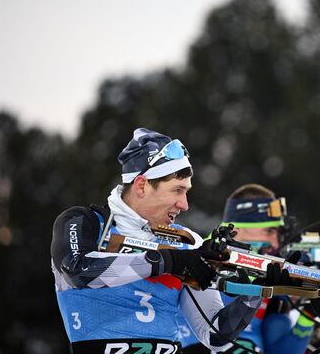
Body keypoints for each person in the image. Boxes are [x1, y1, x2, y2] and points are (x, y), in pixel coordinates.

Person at [51, 128, 265, 354]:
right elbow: (78, 271)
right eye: (177, 190)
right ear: (142, 185)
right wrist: (167, 261)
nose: (184, 204)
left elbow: (215, 333)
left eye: (186, 192)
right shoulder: (84, 222)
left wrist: (254, 292)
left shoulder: (186, 240)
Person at [182, 184, 316, 354]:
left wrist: (309, 313)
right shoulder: (194, 263)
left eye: (278, 233)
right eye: (269, 231)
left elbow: (281, 351)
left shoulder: (269, 274)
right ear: (236, 229)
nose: (275, 242)